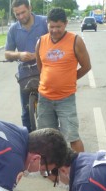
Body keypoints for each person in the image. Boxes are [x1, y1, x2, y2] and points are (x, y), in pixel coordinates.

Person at [35, 8, 91, 153]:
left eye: (58, 26)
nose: (54, 30)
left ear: (65, 24)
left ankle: (81, 168)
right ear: (47, 24)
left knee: (72, 137)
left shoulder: (75, 41)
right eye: (51, 26)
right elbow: (41, 68)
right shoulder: (41, 42)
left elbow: (86, 66)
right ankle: (52, 168)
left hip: (66, 99)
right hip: (44, 99)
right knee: (47, 138)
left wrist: (69, 78)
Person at [5, 0, 48, 131]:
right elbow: (7, 53)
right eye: (17, 14)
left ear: (30, 8)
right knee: (25, 112)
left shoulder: (44, 22)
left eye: (23, 12)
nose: (21, 17)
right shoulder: (13, 29)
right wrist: (19, 55)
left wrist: (39, 55)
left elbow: (57, 43)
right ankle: (29, 141)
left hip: (45, 71)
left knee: (48, 110)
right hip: (25, 74)